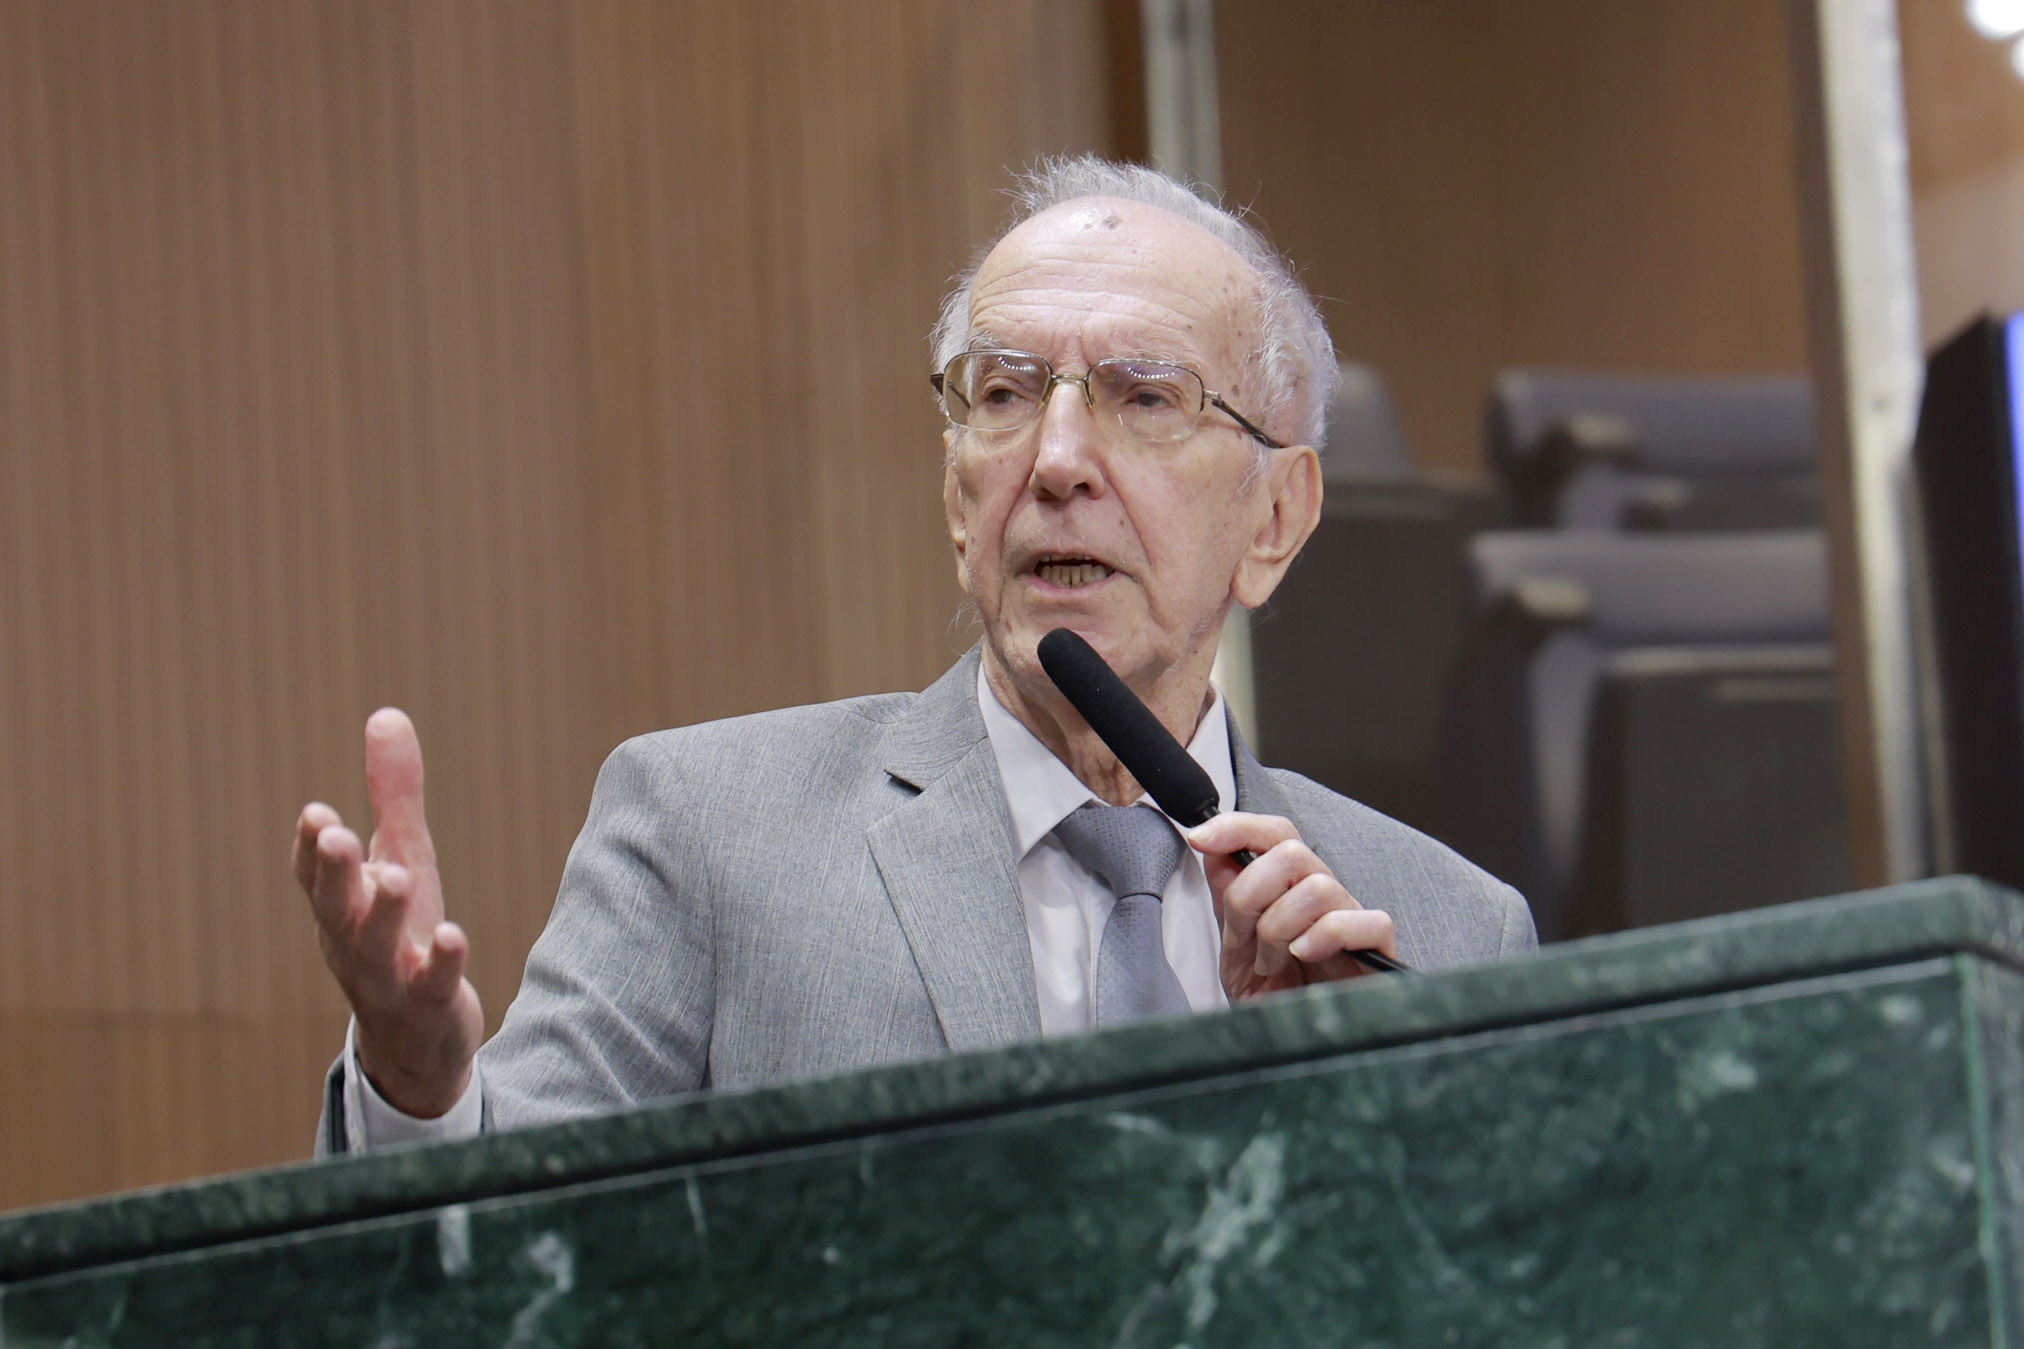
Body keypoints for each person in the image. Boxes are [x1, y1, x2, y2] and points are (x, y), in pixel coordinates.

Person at [293, 156, 1534, 1153]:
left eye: (1144, 396)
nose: (1055, 460)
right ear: (955, 498)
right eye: (1003, 394)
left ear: (1274, 518)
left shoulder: (1437, 935)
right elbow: (506, 1255)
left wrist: (1358, 1127)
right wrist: (419, 1090)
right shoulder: (710, 834)